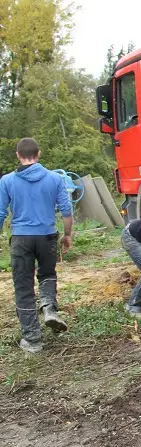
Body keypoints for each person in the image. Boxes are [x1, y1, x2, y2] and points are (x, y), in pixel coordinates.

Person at [0, 138, 73, 354]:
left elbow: (1, 212)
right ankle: (49, 308)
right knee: (47, 274)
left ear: (17, 155)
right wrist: (67, 235)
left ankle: (32, 340)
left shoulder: (7, 181)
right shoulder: (55, 178)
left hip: (21, 239)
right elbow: (66, 210)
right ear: (38, 153)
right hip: (47, 236)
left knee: (23, 287)